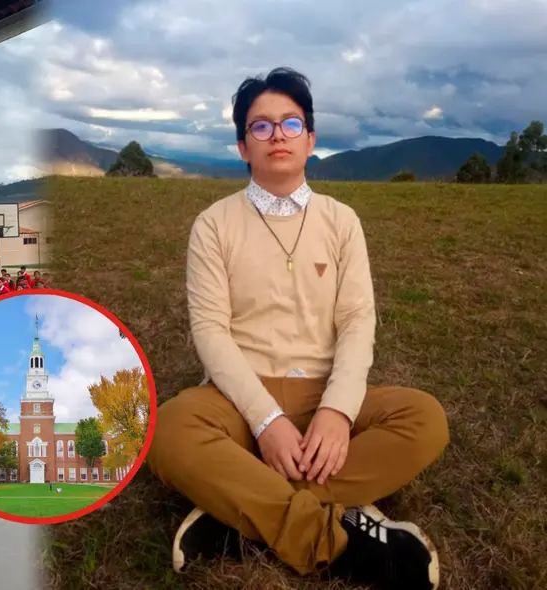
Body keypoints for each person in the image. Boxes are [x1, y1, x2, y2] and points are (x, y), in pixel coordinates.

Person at [146, 67, 449, 590]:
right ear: (243, 146)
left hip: (323, 390)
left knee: (425, 420)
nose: (277, 135)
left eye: (290, 123)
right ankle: (341, 543)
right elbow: (212, 331)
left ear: (310, 139)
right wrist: (266, 421)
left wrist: (336, 410)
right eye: (261, 127)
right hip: (239, 398)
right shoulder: (213, 224)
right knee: (167, 430)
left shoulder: (341, 221)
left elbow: (357, 321)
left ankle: (237, 509)